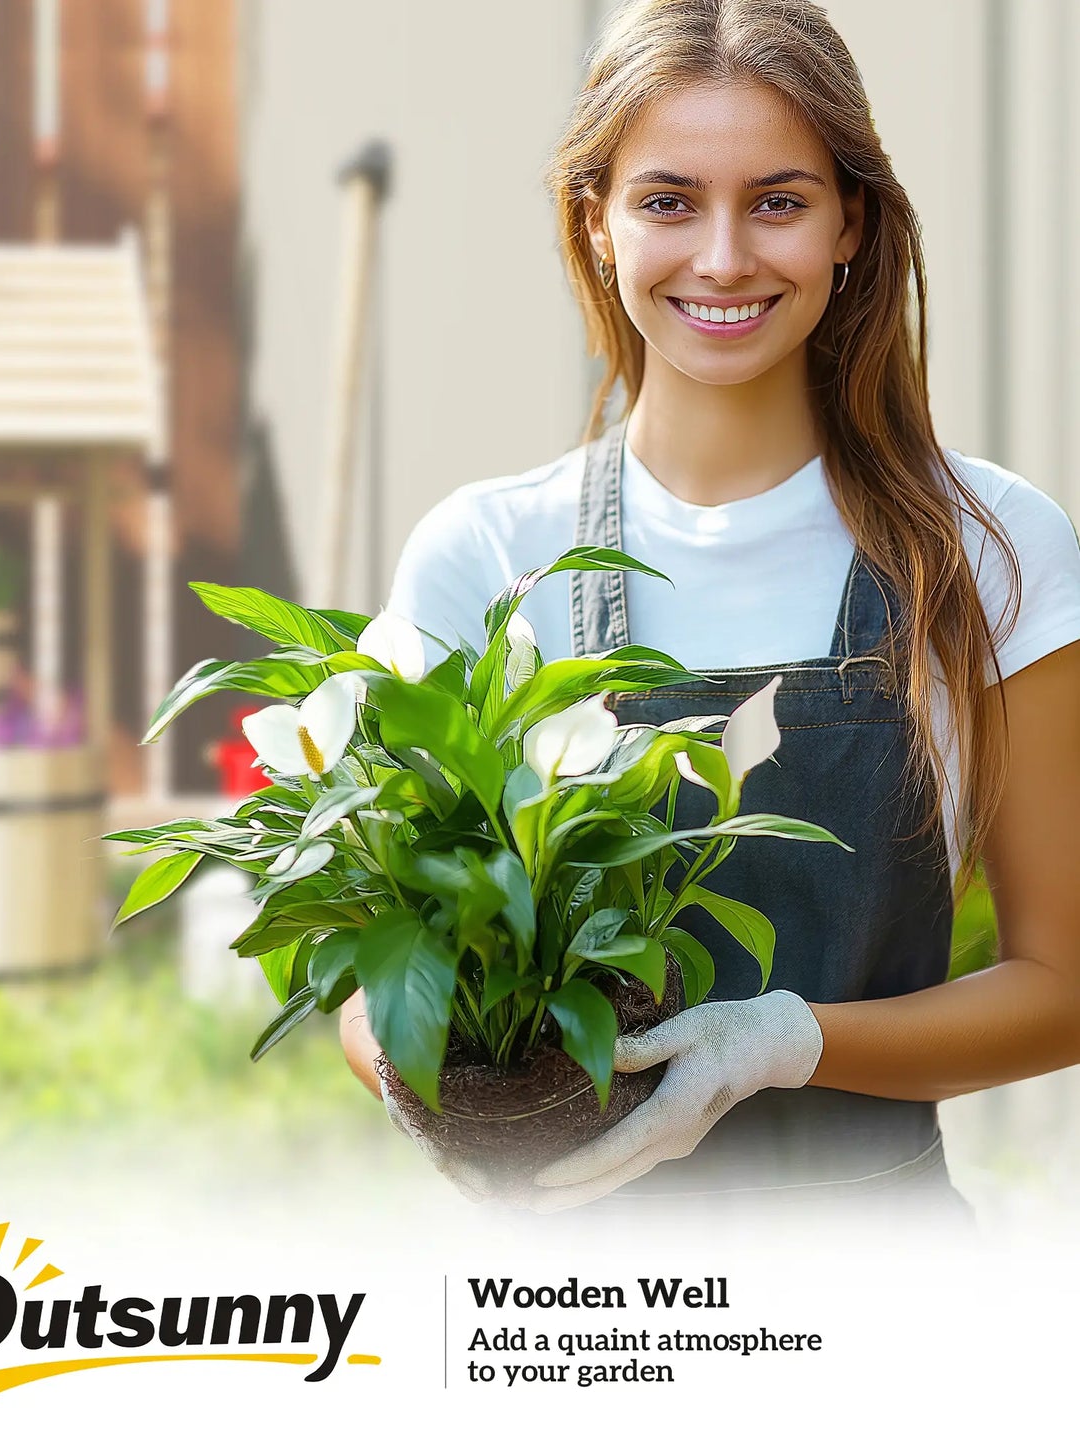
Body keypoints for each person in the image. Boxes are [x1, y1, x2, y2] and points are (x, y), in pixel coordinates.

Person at [339, 0, 1080, 1216]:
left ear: (849, 221)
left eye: (778, 201)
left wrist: (790, 1041)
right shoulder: (487, 551)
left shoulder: (986, 551)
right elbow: (379, 979)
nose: (723, 257)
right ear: (596, 222)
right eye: (668, 200)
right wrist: (454, 1102)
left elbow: (1060, 984)